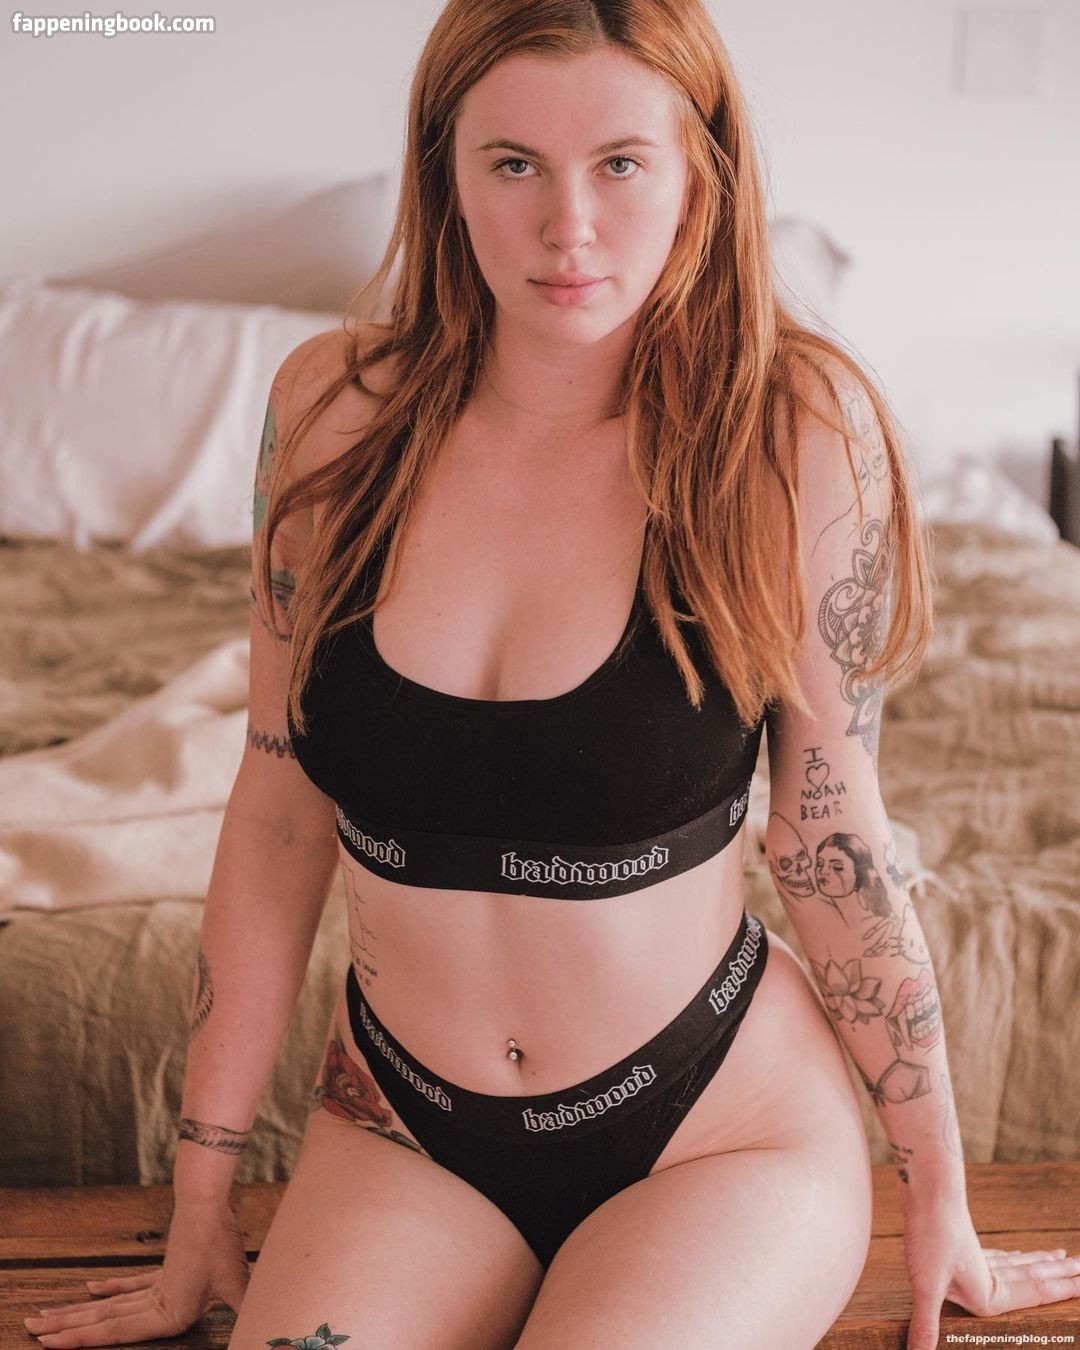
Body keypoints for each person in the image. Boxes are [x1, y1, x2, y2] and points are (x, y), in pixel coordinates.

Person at [26, 2, 1080, 1348]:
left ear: (700, 172)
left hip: (716, 1133)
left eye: (620, 163)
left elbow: (831, 837)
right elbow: (279, 812)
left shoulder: (791, 432)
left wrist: (940, 1194)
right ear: (446, 173)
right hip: (404, 1129)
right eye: (514, 162)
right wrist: (199, 1203)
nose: (567, 226)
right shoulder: (329, 415)